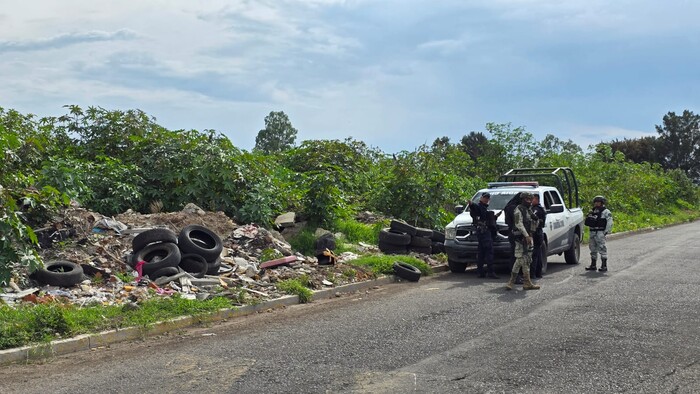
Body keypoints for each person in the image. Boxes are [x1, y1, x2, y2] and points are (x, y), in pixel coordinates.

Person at [506, 192, 540, 290]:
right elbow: (518, 224)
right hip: (521, 238)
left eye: (531, 199)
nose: (529, 201)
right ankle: (514, 282)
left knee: (526, 260)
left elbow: (534, 222)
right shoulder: (518, 210)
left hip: (529, 237)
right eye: (527, 199)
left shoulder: (528, 210)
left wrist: (536, 221)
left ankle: (524, 282)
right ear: (523, 199)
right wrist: (526, 235)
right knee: (521, 259)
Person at [469, 192, 499, 279]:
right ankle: (490, 272)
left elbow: (486, 218)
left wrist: (494, 217)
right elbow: (475, 208)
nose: (486, 199)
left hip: (483, 232)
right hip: (484, 232)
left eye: (488, 198)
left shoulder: (485, 209)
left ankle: (480, 272)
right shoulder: (479, 207)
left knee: (481, 252)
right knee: (489, 252)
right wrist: (471, 204)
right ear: (481, 198)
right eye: (485, 198)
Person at [584, 195, 613, 272]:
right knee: (592, 248)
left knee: (602, 248)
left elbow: (609, 222)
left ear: (602, 203)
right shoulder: (592, 211)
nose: (596, 204)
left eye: (598, 202)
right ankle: (593, 265)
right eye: (595, 202)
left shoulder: (606, 212)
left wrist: (606, 231)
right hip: (592, 232)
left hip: (600, 232)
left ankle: (604, 266)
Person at [530, 193, 547, 279]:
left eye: (532, 199)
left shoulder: (537, 209)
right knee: (538, 254)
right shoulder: (538, 208)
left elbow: (532, 217)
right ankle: (538, 273)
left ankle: (532, 274)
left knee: (534, 254)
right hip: (538, 232)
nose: (530, 201)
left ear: (536, 199)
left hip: (536, 233)